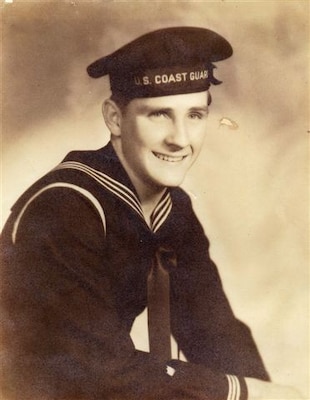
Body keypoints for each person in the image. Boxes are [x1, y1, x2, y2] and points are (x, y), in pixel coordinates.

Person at [0, 27, 302, 400]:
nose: (180, 139)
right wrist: (242, 392)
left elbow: (213, 330)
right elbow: (99, 371)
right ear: (114, 118)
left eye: (194, 115)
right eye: (159, 115)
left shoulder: (171, 208)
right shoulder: (66, 208)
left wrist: (266, 392)